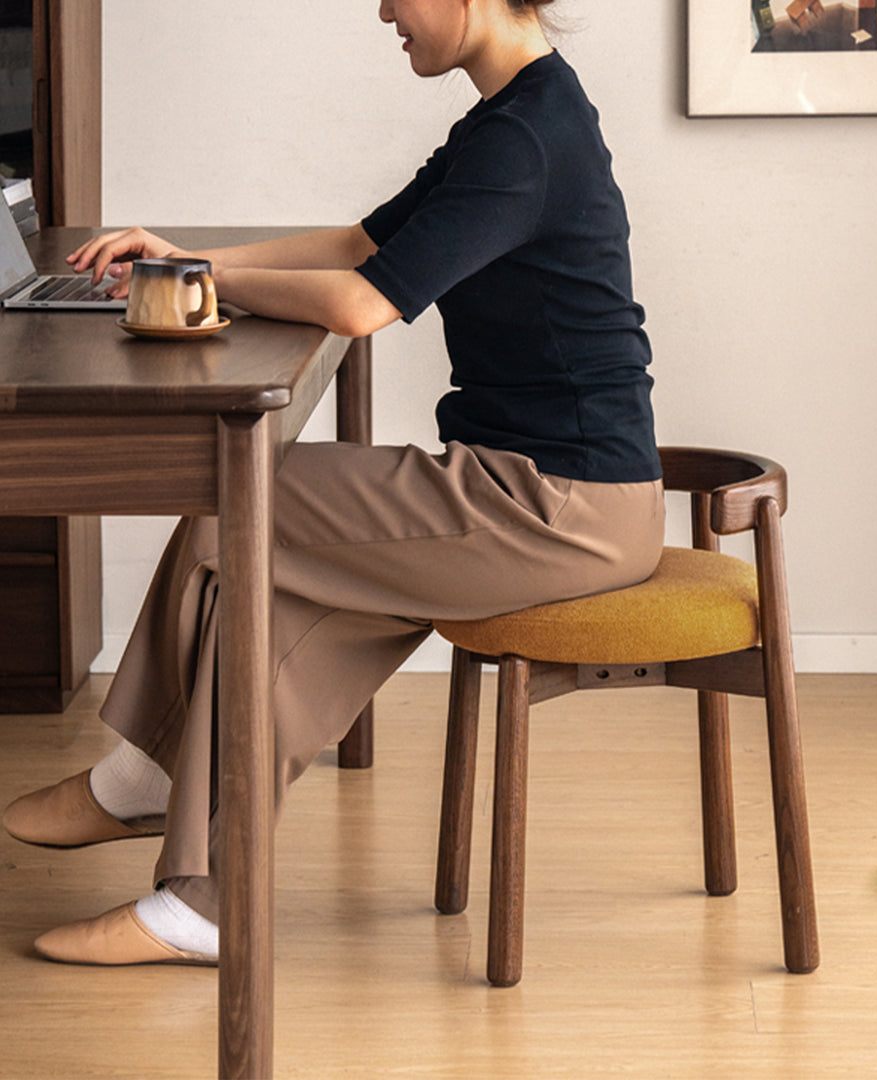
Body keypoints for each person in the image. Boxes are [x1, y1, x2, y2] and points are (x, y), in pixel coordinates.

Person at [2, 0, 664, 966]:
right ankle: (200, 897)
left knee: (239, 503)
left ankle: (146, 786)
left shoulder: (527, 136)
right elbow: (359, 245)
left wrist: (201, 282)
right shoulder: (511, 120)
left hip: (555, 507)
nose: (386, 10)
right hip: (534, 487)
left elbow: (361, 304)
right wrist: (183, 254)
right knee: (272, 584)